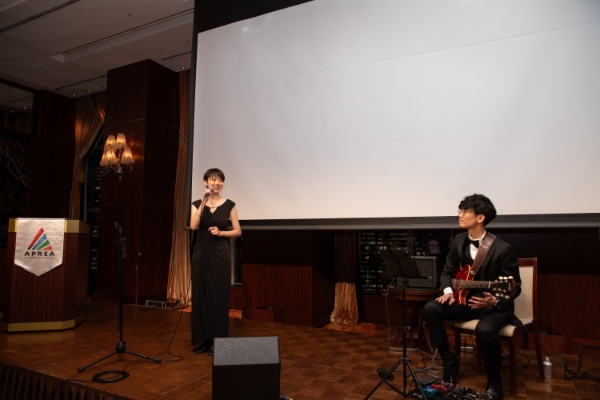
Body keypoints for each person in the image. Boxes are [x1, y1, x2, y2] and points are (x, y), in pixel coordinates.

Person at [423, 194, 521, 400]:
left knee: (484, 329)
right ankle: (449, 361)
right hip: (465, 302)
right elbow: (447, 272)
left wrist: (495, 300)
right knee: (431, 308)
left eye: (465, 211)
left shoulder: (503, 248)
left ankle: (494, 380)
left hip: (493, 307)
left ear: (480, 218)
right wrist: (449, 293)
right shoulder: (458, 240)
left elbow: (515, 286)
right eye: (460, 210)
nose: (460, 215)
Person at [190, 168, 241, 356]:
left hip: (220, 254)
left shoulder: (229, 205)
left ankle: (217, 341)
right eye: (213, 180)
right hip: (201, 253)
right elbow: (193, 226)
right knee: (201, 295)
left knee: (218, 296)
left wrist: (221, 233)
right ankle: (204, 339)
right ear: (206, 183)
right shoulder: (197, 204)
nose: (217, 183)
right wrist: (203, 202)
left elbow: (237, 231)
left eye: (220, 180)